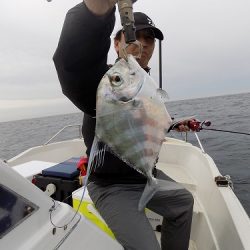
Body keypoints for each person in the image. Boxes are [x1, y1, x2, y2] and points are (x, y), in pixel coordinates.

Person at [53, 1, 194, 249]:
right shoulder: (106, 84)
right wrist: (100, 9)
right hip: (111, 186)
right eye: (134, 36)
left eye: (149, 39)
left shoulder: (144, 85)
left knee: (183, 203)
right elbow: (74, 67)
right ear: (116, 43)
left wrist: (172, 125)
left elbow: (140, 121)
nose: (142, 43)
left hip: (143, 174)